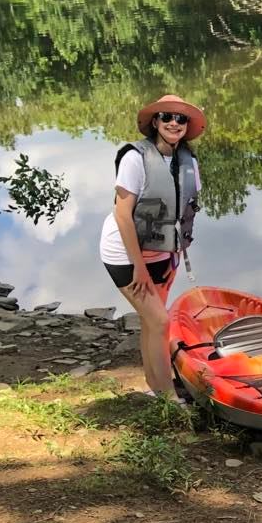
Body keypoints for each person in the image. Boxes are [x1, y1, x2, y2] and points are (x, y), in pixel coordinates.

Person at [100, 93, 204, 399]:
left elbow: (182, 211)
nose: (174, 123)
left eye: (181, 118)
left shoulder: (188, 162)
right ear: (155, 122)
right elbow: (123, 214)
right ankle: (169, 396)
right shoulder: (136, 158)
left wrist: (173, 258)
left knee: (151, 322)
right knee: (160, 321)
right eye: (167, 117)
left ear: (187, 125)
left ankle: (156, 386)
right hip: (125, 254)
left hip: (163, 256)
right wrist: (139, 268)